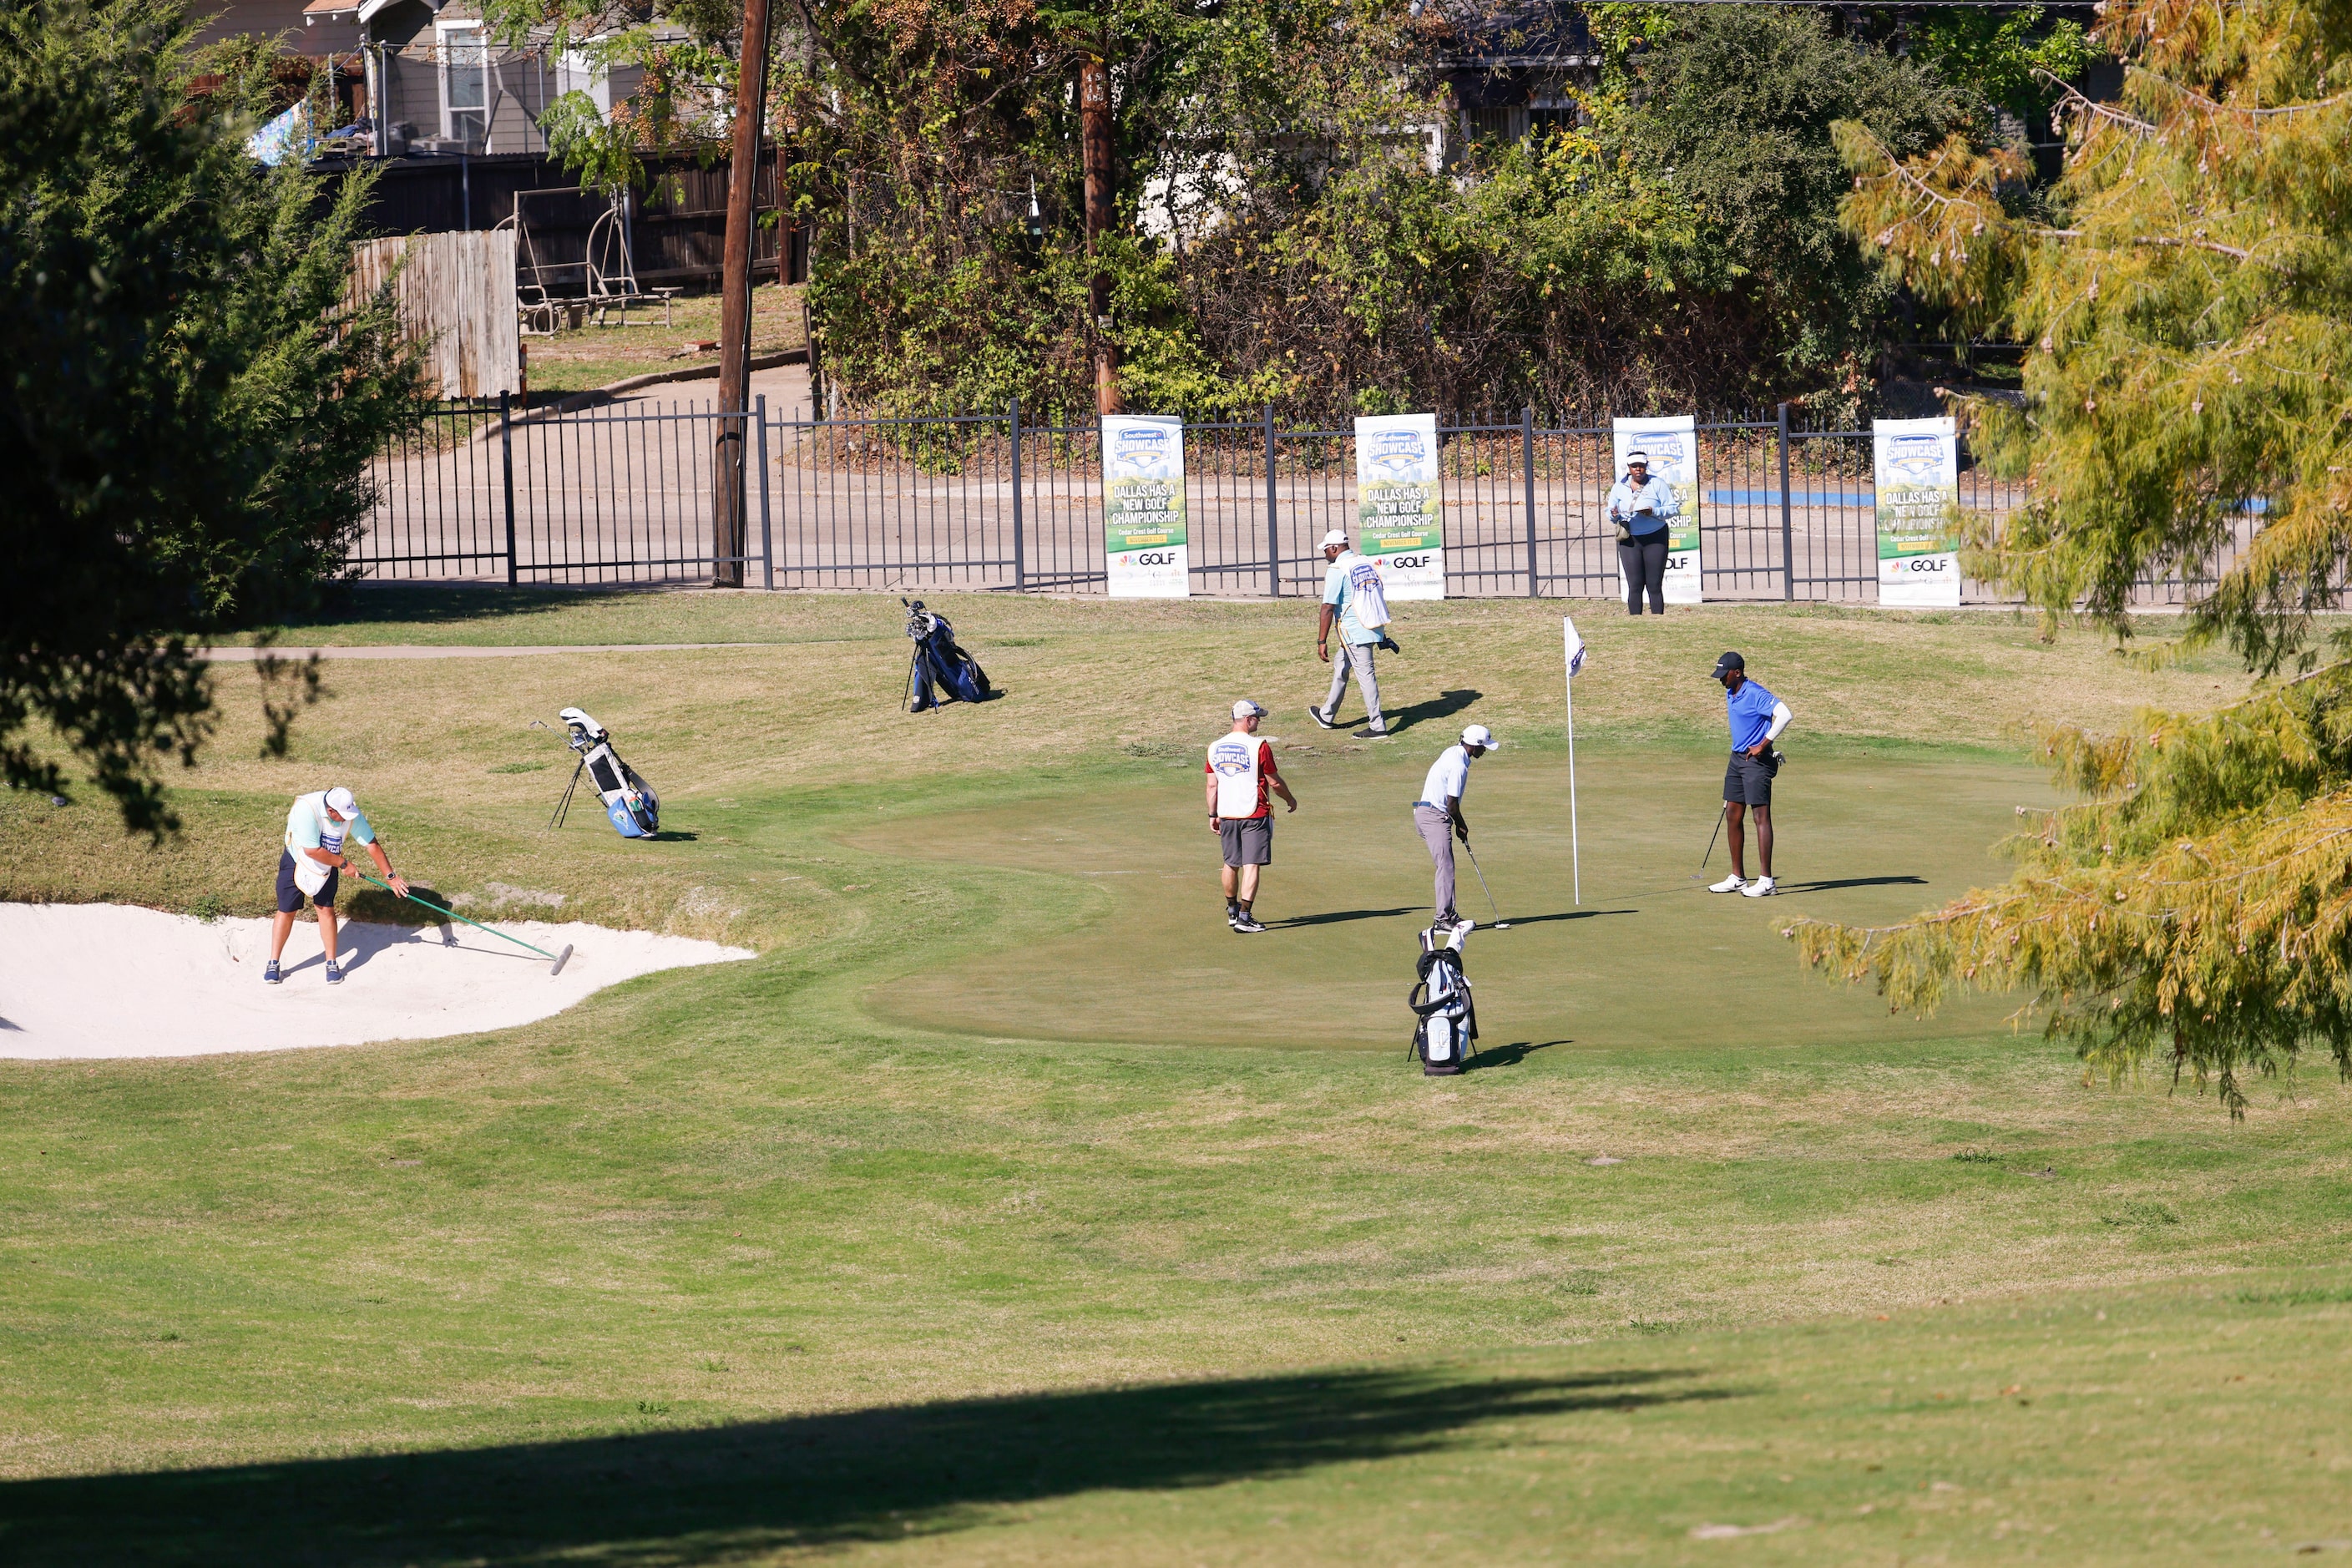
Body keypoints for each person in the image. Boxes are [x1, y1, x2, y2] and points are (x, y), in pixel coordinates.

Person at [268, 786, 409, 984]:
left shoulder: (350, 814)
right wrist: (344, 864)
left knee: (325, 908)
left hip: (329, 860)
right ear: (330, 810)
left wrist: (391, 876)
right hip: (298, 859)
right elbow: (312, 851)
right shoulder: (306, 809)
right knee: (287, 909)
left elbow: (371, 844)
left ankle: (331, 963)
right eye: (342, 815)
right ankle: (274, 962)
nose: (346, 819)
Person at [1206, 699, 1297, 933]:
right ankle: (1245, 918)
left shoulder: (1214, 746)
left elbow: (1212, 786)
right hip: (1254, 812)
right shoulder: (1259, 746)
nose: (1259, 722)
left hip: (1227, 813)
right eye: (1257, 718)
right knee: (1251, 864)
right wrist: (1290, 799)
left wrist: (1212, 814)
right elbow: (1274, 782)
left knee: (1230, 863)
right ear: (1248, 720)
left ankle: (1232, 911)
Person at [1708, 651, 1793, 897]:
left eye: (1725, 675)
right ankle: (1738, 877)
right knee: (1733, 815)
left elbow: (1786, 714)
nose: (1721, 680)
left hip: (1756, 761)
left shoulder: (1755, 693)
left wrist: (1763, 744)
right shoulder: (1730, 691)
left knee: (1760, 817)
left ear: (1738, 673)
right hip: (1737, 759)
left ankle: (1767, 881)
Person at [1413, 724, 1496, 932]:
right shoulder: (1459, 765)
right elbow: (1451, 804)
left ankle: (1449, 914)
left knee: (1445, 865)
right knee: (1446, 867)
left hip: (1428, 814)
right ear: (1475, 746)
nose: (1485, 750)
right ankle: (1442, 919)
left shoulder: (1452, 751)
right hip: (1434, 817)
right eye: (1484, 747)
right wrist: (1462, 825)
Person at [1311, 529, 1393, 739]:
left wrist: (1321, 641)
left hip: (1354, 632)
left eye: (1327, 550)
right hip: (1371, 626)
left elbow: (1327, 607)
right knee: (1341, 666)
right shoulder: (1363, 561)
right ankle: (1327, 715)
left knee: (1366, 676)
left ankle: (1377, 726)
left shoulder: (1337, 568)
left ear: (1335, 548)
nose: (1326, 554)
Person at [1606, 450, 1682, 616]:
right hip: (1629, 539)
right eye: (1634, 466)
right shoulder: (1619, 487)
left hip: (1655, 538)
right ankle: (1635, 623)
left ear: (1646, 466)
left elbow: (1672, 509)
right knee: (1635, 585)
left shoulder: (1657, 484)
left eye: (1641, 466)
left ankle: (1657, 622)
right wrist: (1613, 515)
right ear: (1628, 468)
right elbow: (1609, 510)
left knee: (1654, 584)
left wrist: (1653, 511)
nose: (1638, 469)